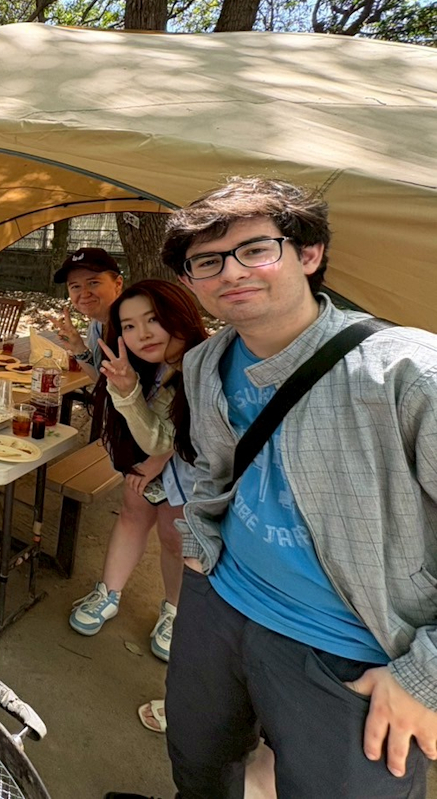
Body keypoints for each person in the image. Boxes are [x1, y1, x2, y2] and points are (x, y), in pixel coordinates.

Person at [160, 177, 437, 798]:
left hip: (351, 645)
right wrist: (198, 546)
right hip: (220, 599)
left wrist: (428, 678)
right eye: (207, 261)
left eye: (255, 249)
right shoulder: (207, 361)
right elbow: (215, 469)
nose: (232, 272)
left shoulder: (409, 373)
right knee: (198, 763)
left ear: (309, 253)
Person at [68, 280, 208, 665]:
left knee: (174, 538)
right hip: (152, 460)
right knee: (132, 516)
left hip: (190, 472)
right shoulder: (154, 363)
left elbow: (167, 438)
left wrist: (129, 394)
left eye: (153, 319)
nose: (141, 333)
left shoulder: (201, 365)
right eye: (129, 326)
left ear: (179, 313)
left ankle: (174, 610)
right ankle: (108, 593)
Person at [50, 246, 125, 381]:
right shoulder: (97, 326)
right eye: (76, 286)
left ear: (118, 284)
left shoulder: (133, 326)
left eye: (93, 283)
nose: (84, 293)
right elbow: (102, 380)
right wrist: (78, 348)